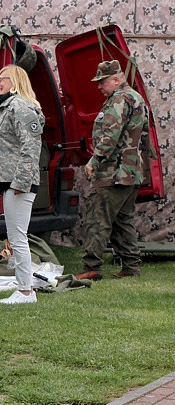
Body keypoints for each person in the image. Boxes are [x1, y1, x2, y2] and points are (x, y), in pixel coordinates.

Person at [76, 60, 154, 281]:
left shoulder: (119, 99)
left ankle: (91, 267)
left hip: (114, 172)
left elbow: (110, 135)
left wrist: (94, 160)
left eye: (102, 82)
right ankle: (131, 267)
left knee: (97, 218)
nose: (99, 86)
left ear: (117, 79)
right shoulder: (136, 98)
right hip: (132, 171)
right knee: (122, 220)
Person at [0, 65, 45, 304]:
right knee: (15, 235)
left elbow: (31, 148)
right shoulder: (8, 107)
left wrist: (20, 182)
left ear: (13, 80)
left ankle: (26, 291)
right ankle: (23, 285)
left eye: (0, 79)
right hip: (11, 180)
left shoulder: (21, 107)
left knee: (17, 237)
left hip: (19, 182)